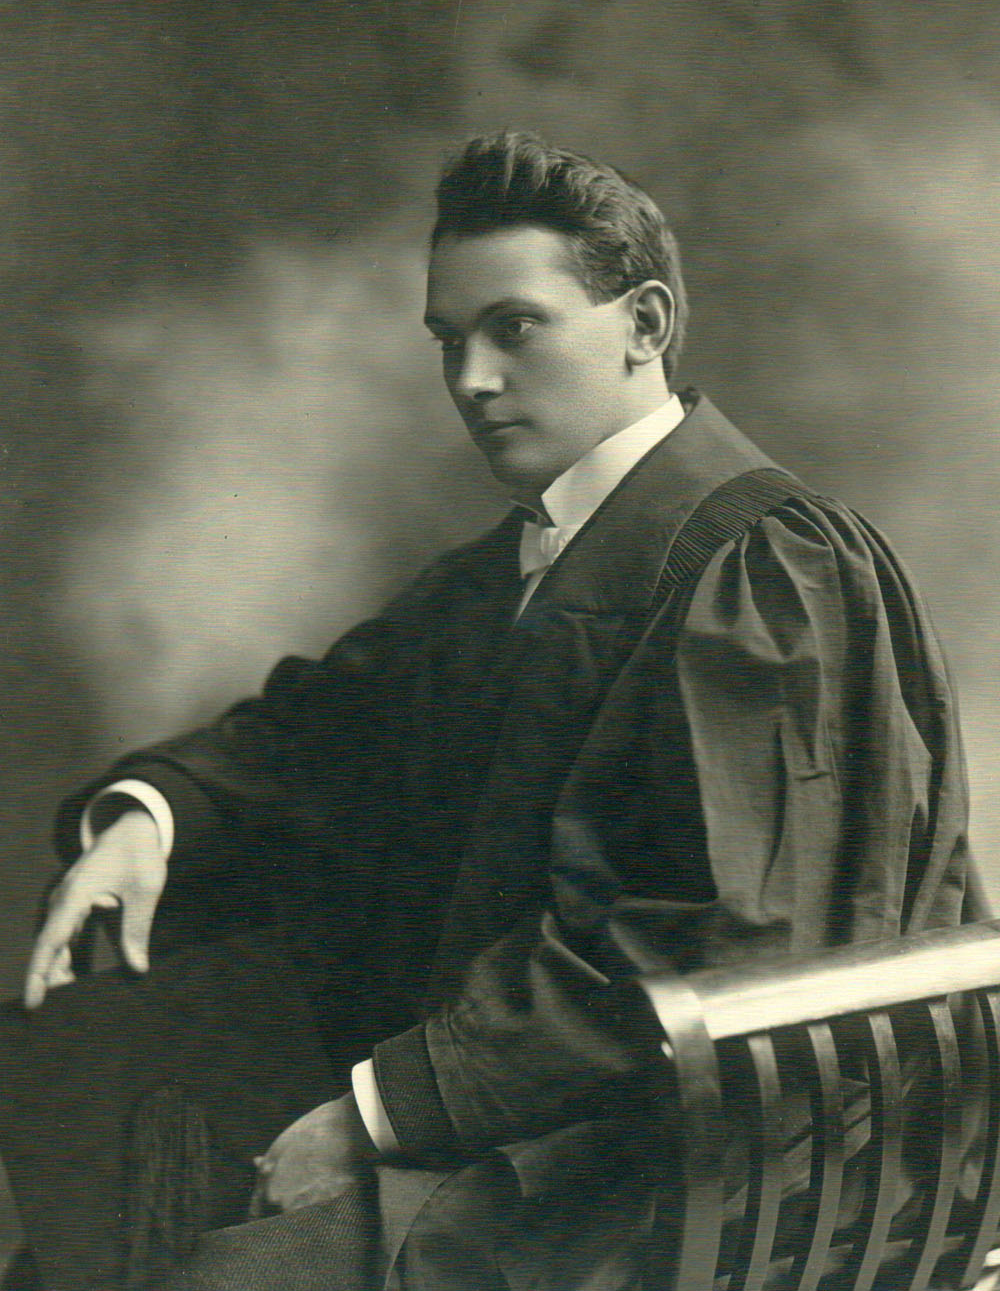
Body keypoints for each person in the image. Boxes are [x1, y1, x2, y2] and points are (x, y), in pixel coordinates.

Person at [0, 131, 972, 1291]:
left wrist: (379, 1113)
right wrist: (150, 819)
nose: (469, 378)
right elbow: (319, 733)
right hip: (540, 1105)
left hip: (702, 1171)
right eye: (448, 339)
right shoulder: (513, 570)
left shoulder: (762, 568)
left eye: (514, 328)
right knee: (86, 1141)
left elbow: (717, 947)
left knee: (201, 1277)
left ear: (646, 324)